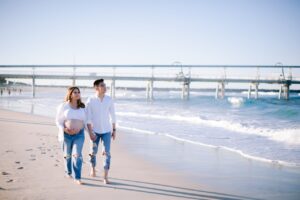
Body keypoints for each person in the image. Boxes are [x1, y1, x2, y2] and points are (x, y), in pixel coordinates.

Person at [86, 79, 116, 184]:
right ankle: (93, 169)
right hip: (95, 131)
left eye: (105, 85)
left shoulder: (109, 99)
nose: (105, 87)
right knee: (93, 153)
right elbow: (88, 118)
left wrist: (114, 129)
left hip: (107, 131)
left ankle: (105, 176)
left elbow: (113, 115)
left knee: (107, 153)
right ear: (96, 88)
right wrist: (90, 132)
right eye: (102, 85)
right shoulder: (90, 100)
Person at [55, 86, 86, 185]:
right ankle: (68, 171)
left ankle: (77, 177)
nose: (77, 94)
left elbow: (87, 121)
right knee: (67, 155)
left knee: (77, 155)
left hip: (79, 135)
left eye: (78, 92)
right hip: (66, 135)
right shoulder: (64, 106)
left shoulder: (83, 107)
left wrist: (92, 132)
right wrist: (65, 129)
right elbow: (58, 121)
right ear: (70, 94)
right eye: (75, 92)